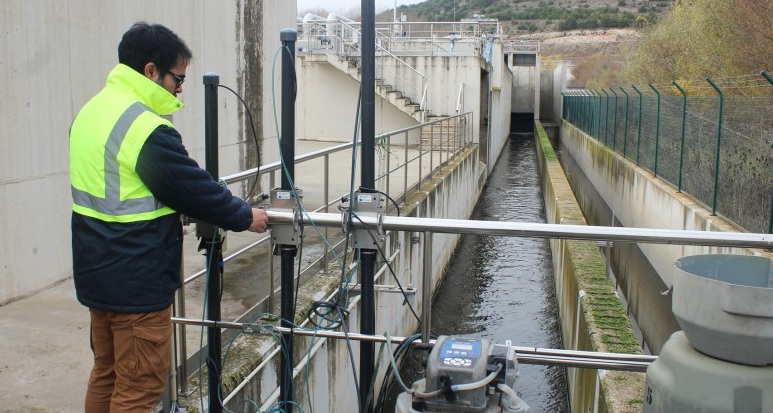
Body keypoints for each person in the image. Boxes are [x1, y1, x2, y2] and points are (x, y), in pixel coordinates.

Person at [69, 22, 269, 413]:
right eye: (177, 78)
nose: (180, 89)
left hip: (97, 274)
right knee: (138, 389)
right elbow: (191, 187)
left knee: (107, 373)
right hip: (136, 283)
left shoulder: (93, 112)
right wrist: (247, 216)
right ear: (150, 71)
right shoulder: (143, 126)